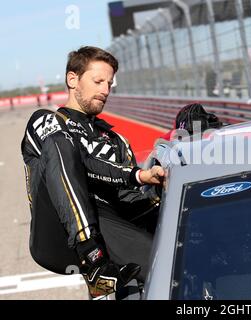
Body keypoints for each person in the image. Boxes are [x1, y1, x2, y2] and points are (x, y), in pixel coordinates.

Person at [21, 46, 165, 298]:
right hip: (60, 231)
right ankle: (93, 257)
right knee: (60, 143)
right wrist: (136, 175)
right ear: (72, 79)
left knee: (173, 261)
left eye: (109, 83)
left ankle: (104, 271)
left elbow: (130, 200)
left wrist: (162, 189)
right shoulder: (46, 121)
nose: (105, 90)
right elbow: (82, 162)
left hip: (111, 227)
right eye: (98, 81)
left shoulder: (115, 140)